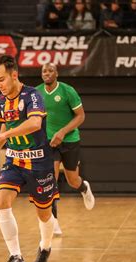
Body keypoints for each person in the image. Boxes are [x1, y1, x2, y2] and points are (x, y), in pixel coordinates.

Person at [0, 55, 59, 262]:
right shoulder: (0, 102)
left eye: (2, 80)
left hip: (39, 162)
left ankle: (45, 247)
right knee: (1, 202)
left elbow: (35, 123)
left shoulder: (33, 96)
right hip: (14, 160)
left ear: (14, 75)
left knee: (44, 213)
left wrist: (5, 134)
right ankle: (16, 256)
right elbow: (5, 125)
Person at [36, 63, 95, 236]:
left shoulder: (68, 91)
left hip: (69, 140)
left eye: (50, 71)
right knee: (50, 181)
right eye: (44, 71)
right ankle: (54, 221)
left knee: (72, 180)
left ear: (57, 73)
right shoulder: (37, 92)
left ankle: (84, 187)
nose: (47, 73)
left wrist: (62, 132)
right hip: (48, 143)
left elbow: (81, 116)